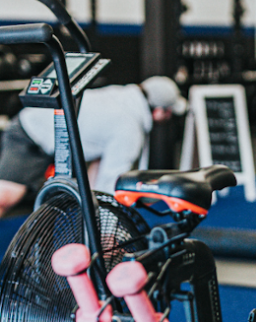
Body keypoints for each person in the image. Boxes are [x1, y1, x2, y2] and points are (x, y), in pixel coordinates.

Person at [0, 75, 187, 217]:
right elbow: (109, 185)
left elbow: (96, 179)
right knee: (6, 197)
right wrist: (106, 233)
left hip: (45, 132)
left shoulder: (121, 96)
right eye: (169, 112)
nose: (169, 118)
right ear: (159, 111)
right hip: (30, 132)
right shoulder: (129, 127)